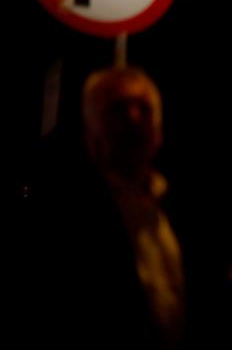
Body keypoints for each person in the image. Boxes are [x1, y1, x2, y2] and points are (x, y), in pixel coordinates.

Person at [14, 66, 184, 349]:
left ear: (159, 133)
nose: (132, 118)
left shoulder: (176, 212)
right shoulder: (64, 219)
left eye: (144, 108)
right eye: (117, 109)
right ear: (90, 133)